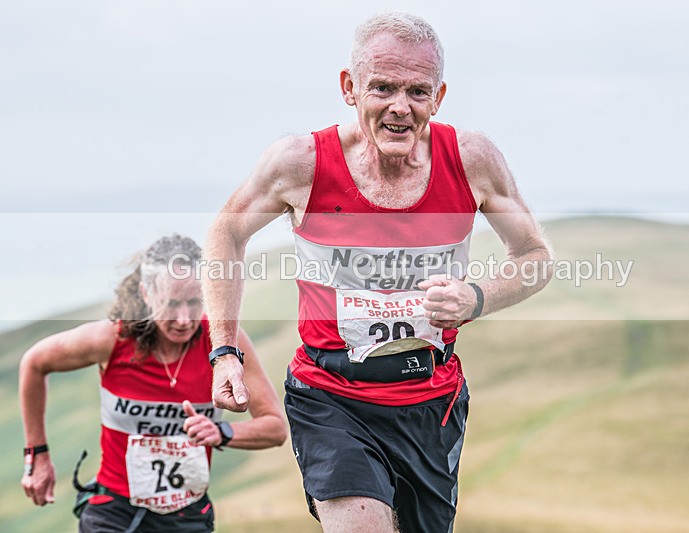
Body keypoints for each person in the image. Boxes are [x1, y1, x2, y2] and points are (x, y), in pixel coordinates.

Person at [203, 12, 552, 533]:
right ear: (349, 87)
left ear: (439, 96)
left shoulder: (472, 160)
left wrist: (474, 297)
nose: (400, 108)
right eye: (382, 88)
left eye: (417, 92)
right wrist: (225, 351)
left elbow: (535, 257)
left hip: (430, 402)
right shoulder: (300, 163)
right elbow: (226, 234)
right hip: (330, 395)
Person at [19, 234, 287, 533]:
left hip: (187, 517)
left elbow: (274, 428)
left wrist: (221, 432)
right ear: (146, 294)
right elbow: (34, 362)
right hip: (113, 512)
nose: (184, 319)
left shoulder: (224, 343)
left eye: (195, 302)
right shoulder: (113, 339)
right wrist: (37, 455)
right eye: (171, 305)